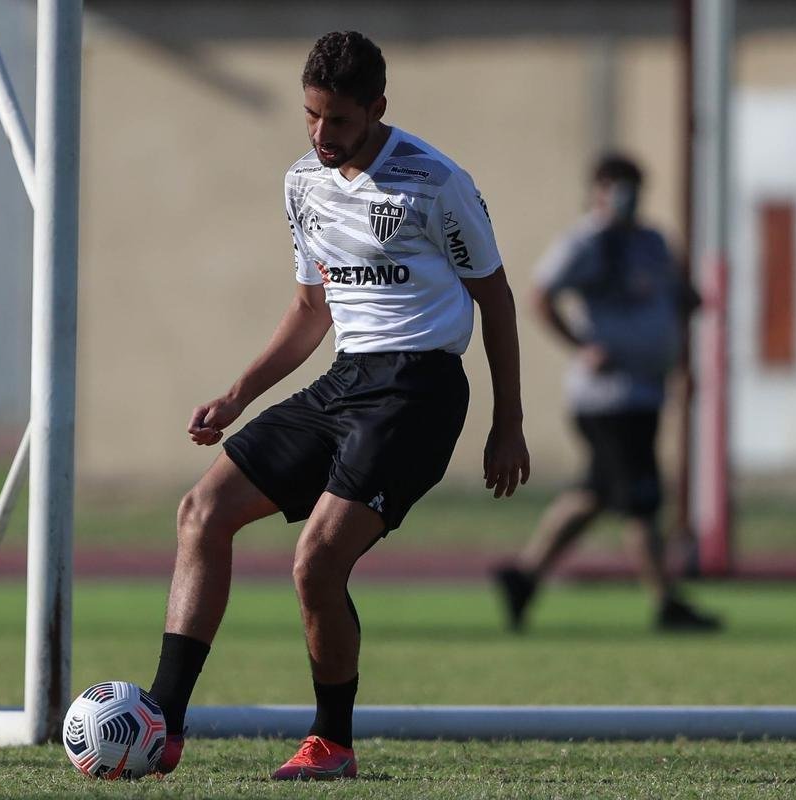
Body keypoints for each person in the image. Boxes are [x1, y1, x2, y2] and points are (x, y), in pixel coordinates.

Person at [147, 30, 529, 780]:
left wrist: (507, 421)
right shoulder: (303, 183)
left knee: (316, 560)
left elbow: (497, 297)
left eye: (340, 122)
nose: (322, 136)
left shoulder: (434, 181)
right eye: (311, 117)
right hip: (345, 381)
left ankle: (332, 743)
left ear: (377, 109)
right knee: (201, 512)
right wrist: (236, 394)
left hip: (417, 392)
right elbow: (310, 309)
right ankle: (162, 723)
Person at [492, 154, 720, 633]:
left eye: (633, 185)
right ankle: (666, 601)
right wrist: (582, 346)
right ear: (598, 189)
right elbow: (540, 294)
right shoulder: (587, 242)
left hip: (646, 390)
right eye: (617, 185)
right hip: (608, 396)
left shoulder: (653, 241)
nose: (626, 194)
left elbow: (674, 297)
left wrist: (682, 345)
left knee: (595, 494)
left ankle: (525, 577)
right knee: (641, 498)